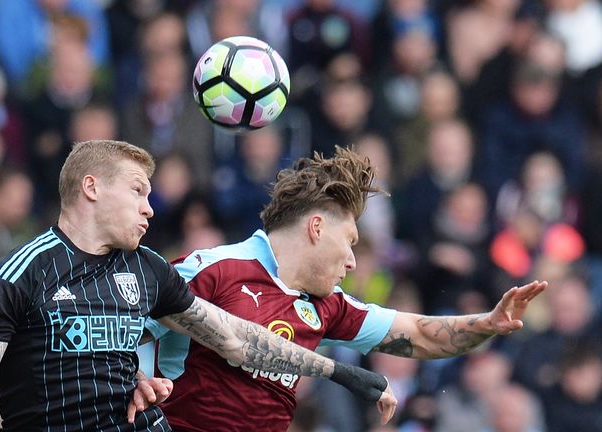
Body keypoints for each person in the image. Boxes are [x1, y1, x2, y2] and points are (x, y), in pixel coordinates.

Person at [0, 140, 396, 432]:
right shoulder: (19, 274)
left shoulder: (147, 269)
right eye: (137, 191)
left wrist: (342, 372)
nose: (150, 208)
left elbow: (234, 337)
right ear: (91, 188)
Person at [147, 146, 547, 431]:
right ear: (317, 229)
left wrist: (487, 324)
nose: (353, 261)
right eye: (350, 241)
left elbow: (421, 335)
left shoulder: (329, 305)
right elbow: (126, 329)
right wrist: (137, 384)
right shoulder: (212, 270)